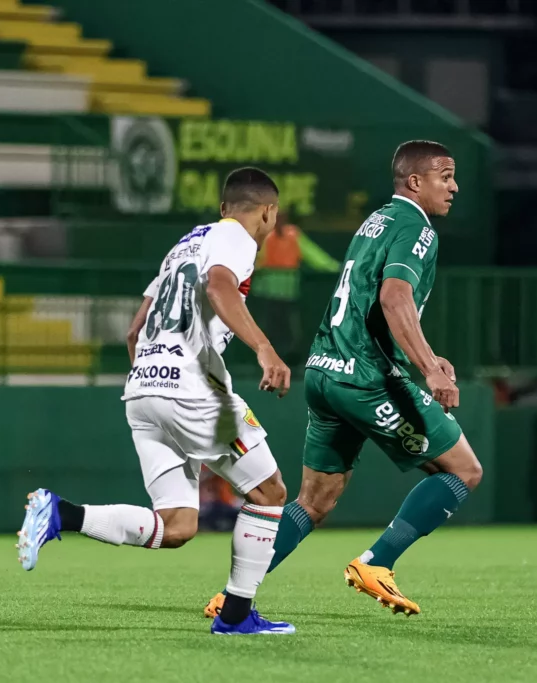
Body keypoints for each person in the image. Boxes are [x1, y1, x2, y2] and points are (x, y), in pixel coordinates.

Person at [204, 140, 483, 618]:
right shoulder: (416, 227)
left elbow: (369, 305)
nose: (454, 186)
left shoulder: (375, 221)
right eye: (445, 176)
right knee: (464, 470)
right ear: (415, 182)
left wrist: (427, 353)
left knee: (314, 500)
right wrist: (430, 369)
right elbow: (394, 299)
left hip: (324, 370)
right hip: (366, 378)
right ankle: (378, 562)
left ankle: (232, 597)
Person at [16, 168, 297, 636]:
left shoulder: (183, 245)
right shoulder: (236, 237)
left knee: (178, 525)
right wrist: (265, 348)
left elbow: (135, 329)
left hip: (143, 389)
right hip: (193, 389)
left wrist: (153, 376)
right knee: (270, 492)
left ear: (222, 206)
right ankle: (235, 617)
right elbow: (219, 286)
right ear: (268, 212)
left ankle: (61, 513)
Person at [251, 210, 340, 364]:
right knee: (267, 327)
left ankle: (289, 358)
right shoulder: (263, 236)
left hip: (288, 292)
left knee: (289, 328)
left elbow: (314, 255)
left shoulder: (293, 235)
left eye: (281, 217)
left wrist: (335, 267)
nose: (279, 221)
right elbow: (253, 258)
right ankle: (265, 358)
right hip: (266, 293)